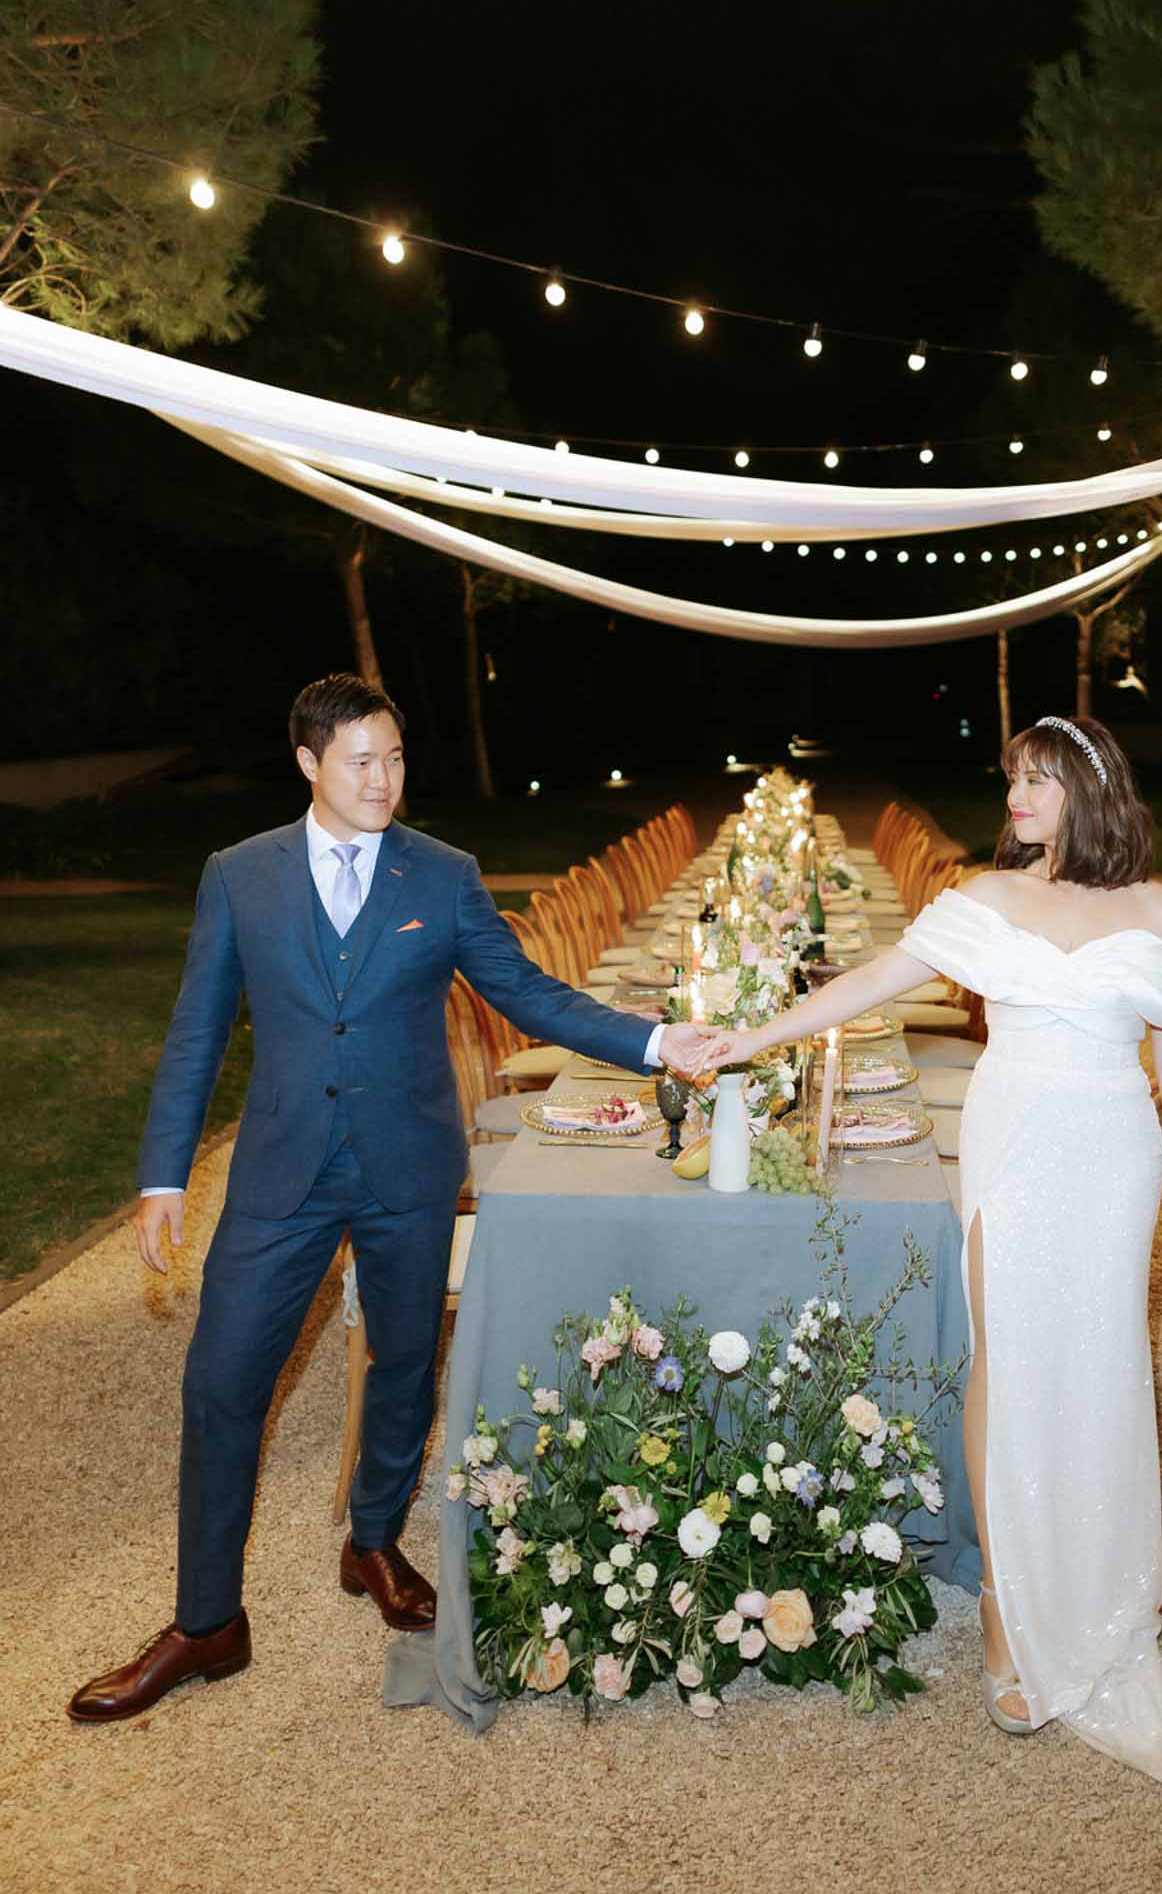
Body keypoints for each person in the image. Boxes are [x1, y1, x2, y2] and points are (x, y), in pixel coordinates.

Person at [68, 673, 705, 1723]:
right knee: (221, 1381)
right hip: (282, 1170)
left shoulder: (442, 873)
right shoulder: (240, 875)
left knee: (405, 1359)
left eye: (397, 757)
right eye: (361, 759)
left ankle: (372, 1542)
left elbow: (525, 991)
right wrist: (161, 1173)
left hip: (409, 1163)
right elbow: (194, 1031)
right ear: (309, 763)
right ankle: (206, 1620)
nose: (384, 778)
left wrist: (653, 1040)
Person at [699, 716, 1162, 1787]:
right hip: (1014, 1137)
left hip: (1112, 1150)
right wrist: (752, 1037)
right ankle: (1002, 1601)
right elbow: (872, 980)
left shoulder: (1160, 911)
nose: (1015, 799)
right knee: (1005, 1353)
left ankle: (1092, 1578)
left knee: (1100, 1356)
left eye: (1034, 781)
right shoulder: (988, 899)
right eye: (1012, 782)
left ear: (1086, 786)